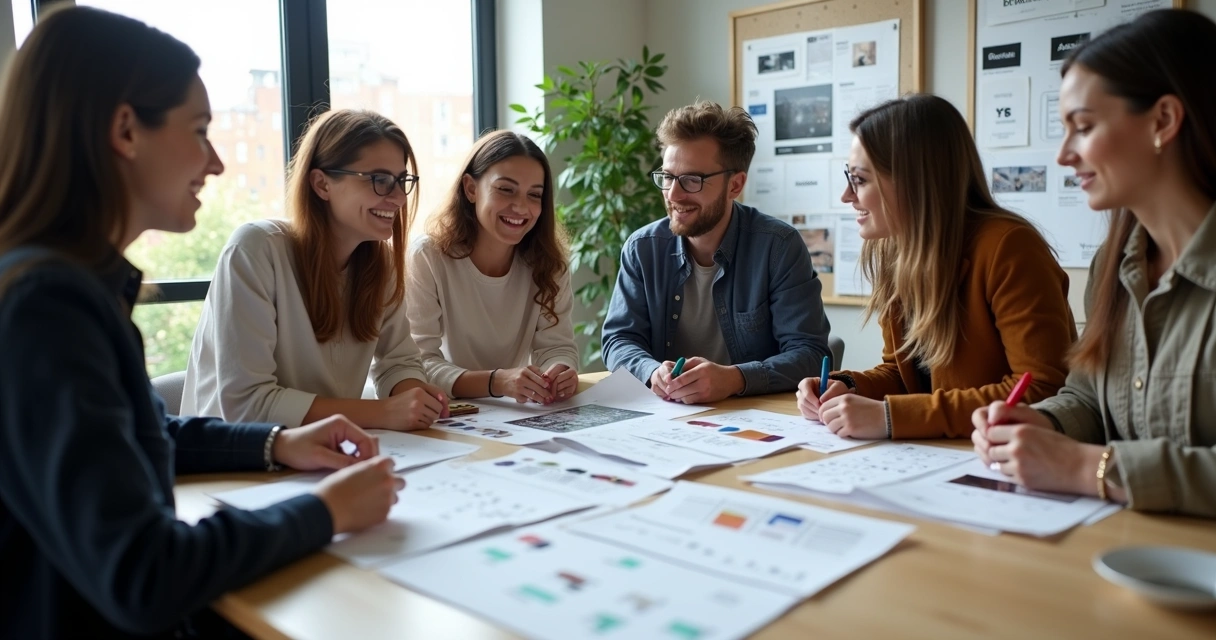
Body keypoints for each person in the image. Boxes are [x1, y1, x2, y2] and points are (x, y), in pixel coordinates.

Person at [0, 7, 402, 637]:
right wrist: (320, 512)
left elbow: (141, 431)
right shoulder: (46, 308)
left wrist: (276, 444)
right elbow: (143, 572)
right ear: (126, 131)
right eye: (199, 130)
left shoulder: (68, 288)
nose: (215, 163)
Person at [973, 9, 1216, 518]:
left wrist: (1090, 469)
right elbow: (1087, 397)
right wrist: (1045, 425)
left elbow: (1099, 459)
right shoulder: (1115, 264)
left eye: (1082, 127)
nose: (1064, 155)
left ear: (1164, 120)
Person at [796, 94, 1076, 439]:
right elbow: (904, 376)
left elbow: (1042, 390)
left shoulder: (1009, 247)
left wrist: (890, 417)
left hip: (1003, 459)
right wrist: (847, 386)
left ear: (915, 181)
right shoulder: (895, 250)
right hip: (941, 455)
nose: (846, 195)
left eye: (860, 179)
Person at [182, 109, 449, 430]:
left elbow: (399, 361)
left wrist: (413, 393)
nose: (397, 198)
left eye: (401, 181)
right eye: (379, 180)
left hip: (325, 450)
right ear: (322, 184)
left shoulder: (381, 265)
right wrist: (384, 413)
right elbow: (246, 404)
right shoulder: (255, 248)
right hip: (238, 463)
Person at [602, 101, 831, 404]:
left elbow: (811, 354)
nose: (673, 194)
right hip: (665, 419)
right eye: (668, 177)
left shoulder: (778, 246)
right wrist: (651, 371)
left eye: (692, 180)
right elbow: (619, 339)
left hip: (755, 419)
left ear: (735, 185)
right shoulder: (643, 248)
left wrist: (735, 378)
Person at [407, 131, 578, 404]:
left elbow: (557, 345)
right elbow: (415, 365)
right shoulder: (427, 256)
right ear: (471, 189)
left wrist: (560, 370)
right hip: (444, 411)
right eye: (506, 189)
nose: (521, 207)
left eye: (535, 195)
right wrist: (496, 382)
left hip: (512, 412)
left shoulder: (549, 263)